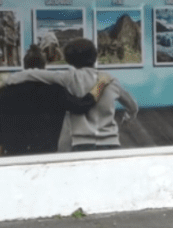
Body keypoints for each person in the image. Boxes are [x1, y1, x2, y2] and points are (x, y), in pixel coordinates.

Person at [2, 38, 137, 152]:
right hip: (111, 142)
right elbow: (132, 106)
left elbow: (33, 73)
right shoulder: (110, 80)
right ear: (95, 55)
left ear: (69, 59)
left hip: (82, 144)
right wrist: (129, 117)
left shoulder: (69, 78)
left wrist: (9, 79)